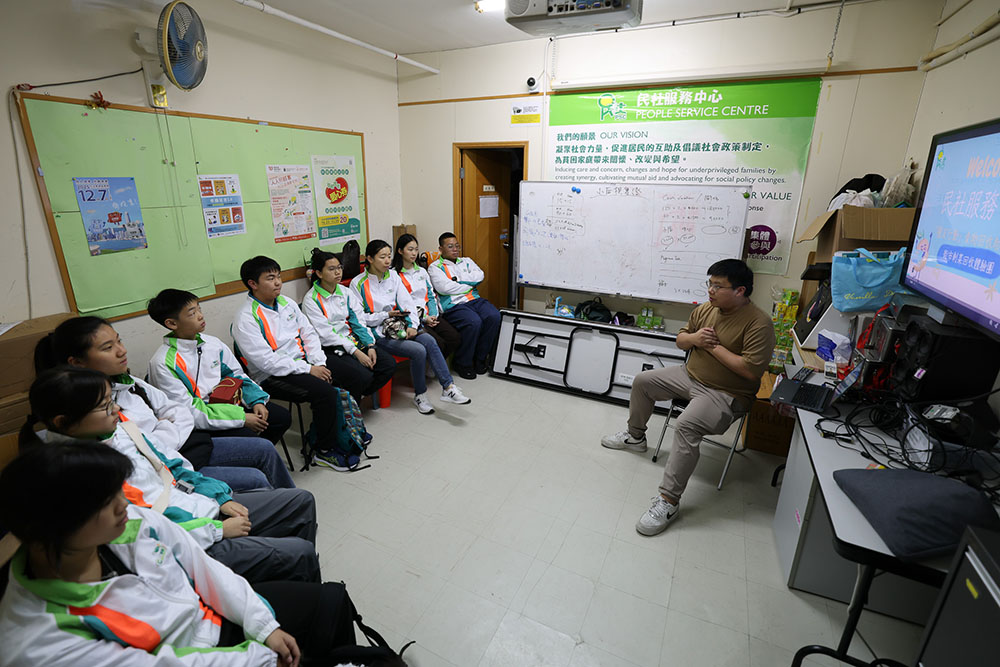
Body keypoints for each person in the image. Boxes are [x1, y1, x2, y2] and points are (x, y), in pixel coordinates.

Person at [0, 442, 395, 666]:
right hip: (199, 653)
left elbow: (202, 568)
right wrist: (259, 656)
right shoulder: (39, 642)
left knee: (331, 601)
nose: (124, 504)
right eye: (106, 501)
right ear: (52, 527)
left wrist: (262, 625)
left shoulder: (127, 522)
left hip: (210, 618)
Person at [20, 366, 321, 585]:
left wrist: (219, 498)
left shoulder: (119, 428)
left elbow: (173, 466)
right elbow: (142, 530)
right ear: (64, 422)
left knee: (300, 501)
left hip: (197, 508)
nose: (116, 409)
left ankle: (281, 581)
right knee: (299, 553)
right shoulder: (76, 474)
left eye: (112, 401)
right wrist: (217, 530)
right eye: (104, 406)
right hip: (184, 539)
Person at [601, 259, 775, 536]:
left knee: (686, 425)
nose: (710, 290)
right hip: (689, 375)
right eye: (710, 283)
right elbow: (681, 340)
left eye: (718, 286)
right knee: (643, 381)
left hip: (726, 393)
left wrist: (712, 347)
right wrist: (695, 339)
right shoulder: (707, 309)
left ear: (740, 290)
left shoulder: (759, 323)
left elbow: (750, 371)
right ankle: (635, 438)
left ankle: (668, 501)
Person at [35, 316, 293, 492]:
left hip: (190, 447)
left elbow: (179, 413)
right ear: (77, 362)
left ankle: (286, 506)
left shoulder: (130, 383)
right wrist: (163, 428)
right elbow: (141, 452)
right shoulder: (88, 410)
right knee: (255, 478)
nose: (122, 351)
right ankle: (274, 519)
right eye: (107, 347)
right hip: (164, 469)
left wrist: (161, 430)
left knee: (263, 448)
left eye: (119, 341)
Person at [232, 255, 369, 472]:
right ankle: (323, 449)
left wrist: (319, 363)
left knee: (351, 375)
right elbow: (267, 362)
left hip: (304, 363)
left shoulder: (286, 303)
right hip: (271, 376)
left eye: (278, 276)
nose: (278, 282)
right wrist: (309, 369)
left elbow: (309, 334)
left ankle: (346, 430)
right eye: (270, 278)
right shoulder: (246, 318)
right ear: (253, 284)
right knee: (325, 393)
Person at [146, 288, 293, 447]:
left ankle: (256, 454)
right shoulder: (162, 363)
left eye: (199, 309)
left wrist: (256, 401)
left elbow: (236, 375)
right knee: (251, 439)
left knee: (280, 418)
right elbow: (188, 411)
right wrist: (241, 418)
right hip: (201, 418)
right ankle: (253, 454)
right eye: (192, 313)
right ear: (172, 323)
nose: (200, 316)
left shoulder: (212, 343)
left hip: (228, 402)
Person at [350, 239, 470, 415]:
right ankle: (420, 395)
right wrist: (386, 315)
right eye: (382, 257)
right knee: (418, 350)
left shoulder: (393, 276)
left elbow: (408, 304)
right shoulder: (358, 283)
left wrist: (413, 325)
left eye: (389, 256)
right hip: (379, 333)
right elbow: (359, 319)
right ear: (369, 258)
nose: (387, 261)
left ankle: (448, 387)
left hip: (401, 325)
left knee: (429, 340)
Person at [301, 248, 396, 402]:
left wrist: (370, 345)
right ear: (319, 273)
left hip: (352, 340)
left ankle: (353, 398)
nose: (338, 272)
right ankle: (351, 404)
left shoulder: (345, 292)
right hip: (328, 347)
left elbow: (358, 321)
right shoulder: (311, 300)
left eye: (339, 267)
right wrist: (356, 352)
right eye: (331, 269)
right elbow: (326, 334)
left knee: (388, 364)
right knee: (361, 375)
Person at [427, 232, 501, 380]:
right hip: (453, 305)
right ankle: (463, 363)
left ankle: (480, 359)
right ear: (441, 249)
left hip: (474, 300)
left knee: (494, 316)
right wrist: (469, 284)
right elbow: (444, 288)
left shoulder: (467, 261)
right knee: (473, 322)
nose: (455, 249)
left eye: (457, 246)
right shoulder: (435, 267)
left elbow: (480, 276)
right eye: (450, 246)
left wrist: (457, 281)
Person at [392, 233, 461, 361]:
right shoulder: (394, 274)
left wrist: (433, 315)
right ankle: (433, 365)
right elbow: (401, 303)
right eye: (410, 249)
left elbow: (430, 295)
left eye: (416, 249)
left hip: (430, 314)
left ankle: (434, 364)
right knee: (438, 343)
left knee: (454, 338)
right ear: (400, 251)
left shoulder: (422, 271)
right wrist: (424, 318)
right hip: (413, 318)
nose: (414, 253)